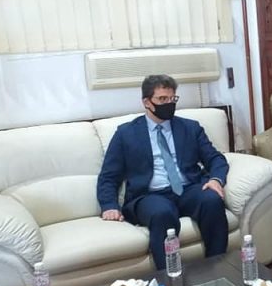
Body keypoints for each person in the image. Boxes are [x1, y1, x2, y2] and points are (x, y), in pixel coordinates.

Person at [96, 75, 229, 270]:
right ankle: (171, 278)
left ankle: (218, 269)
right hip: (150, 195)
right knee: (162, 213)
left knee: (212, 200)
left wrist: (216, 180)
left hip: (188, 188)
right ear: (147, 102)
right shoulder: (126, 134)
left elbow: (216, 158)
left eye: (172, 99)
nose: (168, 104)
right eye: (162, 99)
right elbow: (109, 175)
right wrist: (109, 205)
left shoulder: (190, 128)